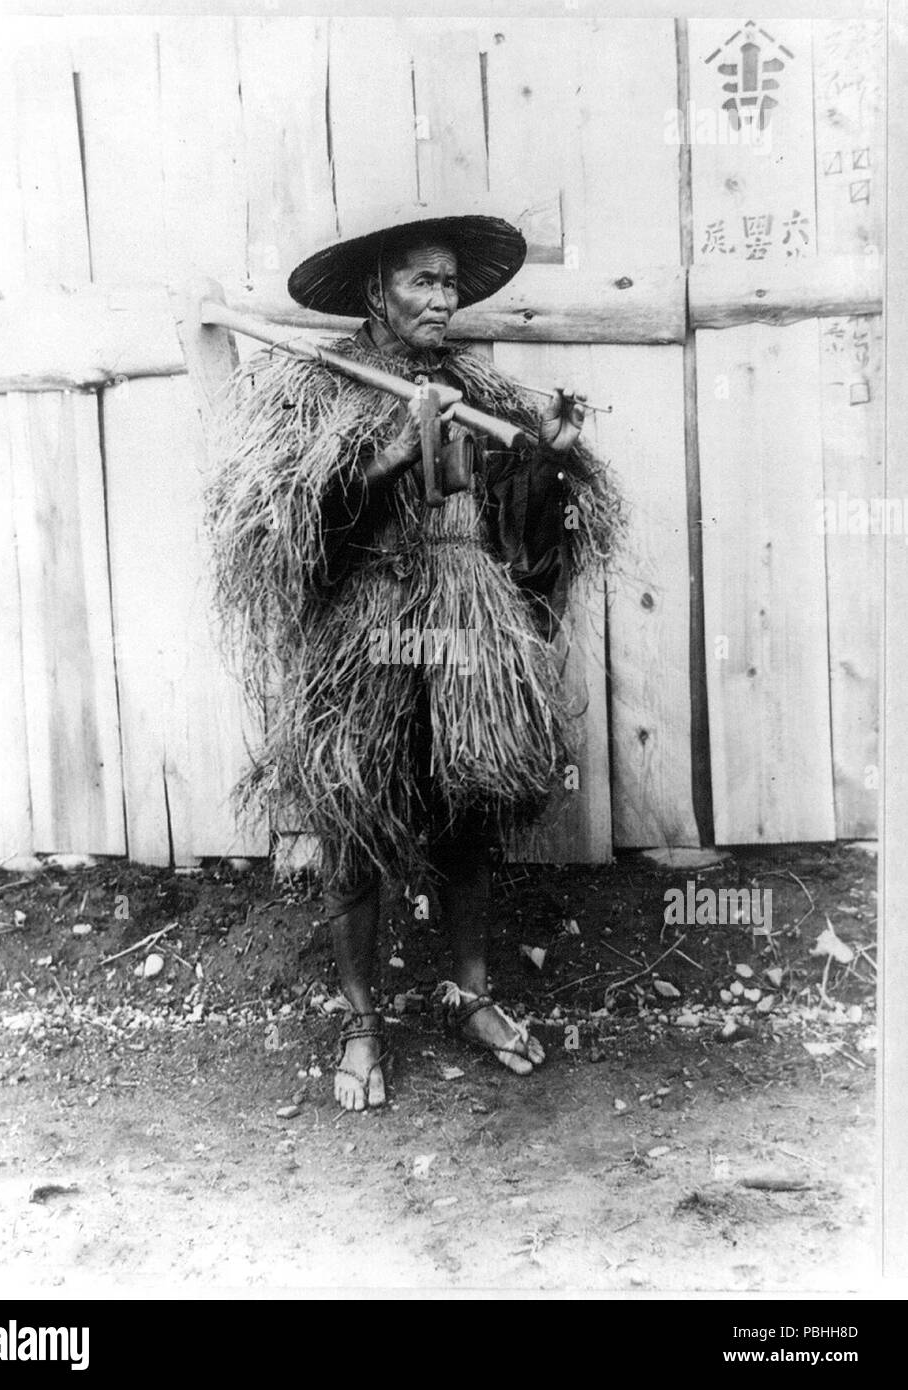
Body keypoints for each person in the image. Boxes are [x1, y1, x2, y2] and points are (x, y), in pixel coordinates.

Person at [206, 207, 623, 1112]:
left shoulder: (477, 388)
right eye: (421, 281)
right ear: (375, 291)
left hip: (465, 633)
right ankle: (362, 1023)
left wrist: (548, 462)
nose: (441, 299)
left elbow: (527, 534)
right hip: (368, 633)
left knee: (469, 806)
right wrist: (390, 456)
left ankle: (470, 995)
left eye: (449, 283)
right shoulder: (321, 388)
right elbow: (285, 536)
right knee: (356, 815)